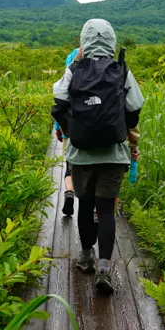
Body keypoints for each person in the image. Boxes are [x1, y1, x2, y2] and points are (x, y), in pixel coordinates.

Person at [51, 19, 143, 295]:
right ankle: (104, 268)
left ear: (85, 41)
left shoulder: (75, 69)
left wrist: (74, 63)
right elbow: (135, 105)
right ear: (112, 41)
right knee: (105, 212)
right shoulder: (120, 70)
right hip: (113, 155)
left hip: (80, 155)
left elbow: (59, 97)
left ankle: (86, 256)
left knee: (84, 205)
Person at [53, 44, 79, 217]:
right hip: (94, 131)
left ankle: (69, 192)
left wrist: (58, 129)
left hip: (69, 130)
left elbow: (59, 107)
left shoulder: (68, 78)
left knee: (69, 166)